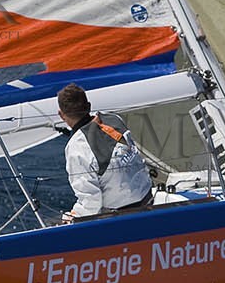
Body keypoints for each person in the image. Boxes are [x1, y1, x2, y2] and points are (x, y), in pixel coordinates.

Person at [56, 83, 153, 222]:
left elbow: (91, 201)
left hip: (122, 217)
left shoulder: (76, 147)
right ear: (89, 106)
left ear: (61, 115)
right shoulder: (114, 119)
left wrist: (73, 217)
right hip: (148, 199)